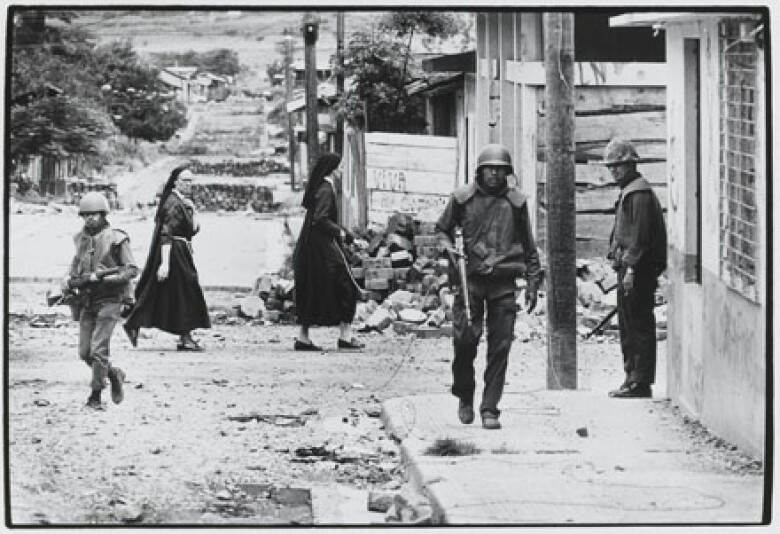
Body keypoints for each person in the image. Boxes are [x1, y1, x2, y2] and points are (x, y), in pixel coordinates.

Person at [436, 144, 541, 430]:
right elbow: (442, 230)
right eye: (490, 169)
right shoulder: (462, 199)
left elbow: (529, 246)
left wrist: (533, 281)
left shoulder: (517, 203)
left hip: (503, 282)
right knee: (465, 341)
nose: (495, 174)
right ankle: (464, 395)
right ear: (480, 171)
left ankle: (490, 408)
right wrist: (450, 251)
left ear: (507, 173)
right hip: (470, 281)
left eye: (500, 170)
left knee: (500, 346)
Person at [601, 138, 667, 399]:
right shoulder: (630, 190)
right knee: (628, 325)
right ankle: (631, 378)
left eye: (620, 165)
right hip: (631, 268)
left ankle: (640, 382)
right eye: (612, 167)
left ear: (632, 165)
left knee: (638, 325)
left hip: (637, 271)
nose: (615, 171)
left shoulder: (638, 193)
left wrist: (630, 270)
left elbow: (639, 238)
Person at [63, 192, 138, 410]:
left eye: (94, 214)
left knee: (98, 350)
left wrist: (106, 280)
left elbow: (131, 270)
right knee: (84, 353)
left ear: (103, 214)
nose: (89, 219)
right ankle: (114, 373)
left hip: (111, 299)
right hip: (87, 300)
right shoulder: (80, 239)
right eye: (85, 215)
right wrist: (69, 281)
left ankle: (95, 396)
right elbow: (76, 265)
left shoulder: (117, 238)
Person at [123, 165, 211, 351]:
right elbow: (166, 234)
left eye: (191, 181)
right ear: (176, 182)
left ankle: (135, 323)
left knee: (165, 291)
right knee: (187, 291)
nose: (189, 184)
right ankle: (184, 337)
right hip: (174, 252)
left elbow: (193, 230)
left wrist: (193, 210)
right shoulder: (172, 203)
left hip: (181, 250)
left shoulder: (182, 202)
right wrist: (165, 263)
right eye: (185, 181)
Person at [293, 152, 363, 351]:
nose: (341, 171)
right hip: (321, 247)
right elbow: (322, 219)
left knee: (312, 288)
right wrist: (341, 233)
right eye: (339, 167)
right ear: (332, 170)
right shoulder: (326, 189)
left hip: (311, 245)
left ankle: (304, 338)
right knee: (346, 285)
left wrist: (347, 235)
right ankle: (345, 336)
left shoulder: (322, 187)